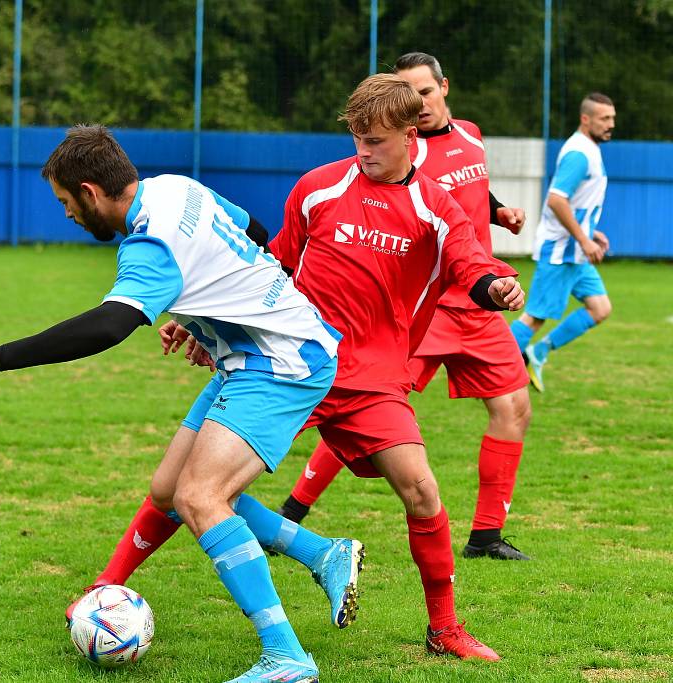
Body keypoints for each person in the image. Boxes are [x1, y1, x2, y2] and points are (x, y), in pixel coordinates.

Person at [69, 75, 526, 663]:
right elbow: (273, 259)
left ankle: (445, 629)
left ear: (411, 136)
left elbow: (469, 263)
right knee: (184, 487)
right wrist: (202, 320)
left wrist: (497, 288)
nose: (363, 151)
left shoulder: (433, 206)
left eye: (377, 141)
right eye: (357, 138)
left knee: (421, 493)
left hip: (370, 377)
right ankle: (106, 587)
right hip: (286, 360)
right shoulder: (319, 188)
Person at [0, 124, 360, 683]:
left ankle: (286, 656)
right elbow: (253, 233)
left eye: (67, 202)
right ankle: (322, 553)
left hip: (283, 364)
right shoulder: (175, 189)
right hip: (255, 353)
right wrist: (206, 315)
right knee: (169, 493)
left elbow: (111, 325)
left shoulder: (149, 245)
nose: (66, 214)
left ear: (90, 193)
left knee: (200, 496)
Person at [278, 52, 533, 562]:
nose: (417, 104)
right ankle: (294, 510)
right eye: (407, 95)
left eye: (424, 92)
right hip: (425, 308)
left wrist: (499, 211)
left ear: (444, 87)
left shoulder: (470, 135)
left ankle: (486, 536)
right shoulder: (396, 159)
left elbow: (471, 195)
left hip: (480, 301)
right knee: (365, 404)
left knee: (514, 407)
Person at [510, 93, 615, 392]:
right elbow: (557, 199)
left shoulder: (589, 149)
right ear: (586, 119)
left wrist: (590, 232)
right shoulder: (579, 153)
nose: (610, 124)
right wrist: (584, 239)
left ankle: (537, 354)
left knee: (600, 307)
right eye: (604, 119)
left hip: (575, 251)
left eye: (612, 118)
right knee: (534, 317)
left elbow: (577, 201)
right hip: (563, 252)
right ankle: (497, 371)